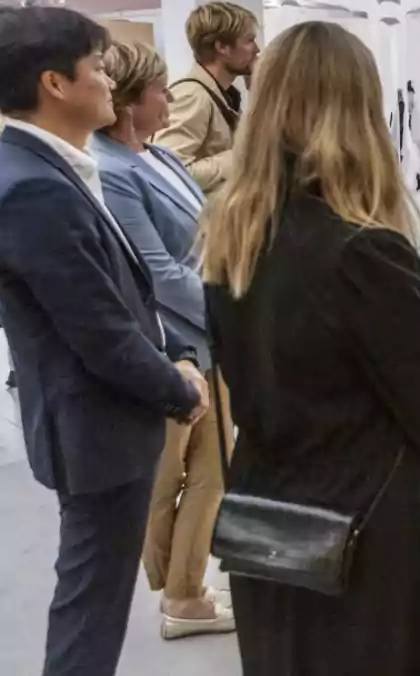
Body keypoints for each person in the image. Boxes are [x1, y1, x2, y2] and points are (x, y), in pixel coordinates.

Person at [202, 21, 420, 675]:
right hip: (366, 529)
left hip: (268, 514)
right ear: (358, 112)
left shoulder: (232, 237)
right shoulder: (364, 249)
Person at [0, 6, 208, 676]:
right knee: (92, 607)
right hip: (96, 428)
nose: (108, 81)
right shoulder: (33, 186)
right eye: (96, 67)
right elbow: (100, 335)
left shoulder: (45, 166)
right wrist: (178, 385)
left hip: (96, 420)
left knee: (91, 594)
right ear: (55, 83)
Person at [89, 41, 235, 640]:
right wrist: (230, 314)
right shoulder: (111, 172)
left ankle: (185, 590)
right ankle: (175, 589)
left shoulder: (158, 157)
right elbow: (158, 273)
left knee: (212, 471)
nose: (169, 99)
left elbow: (203, 231)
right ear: (130, 102)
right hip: (170, 344)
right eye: (158, 90)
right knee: (166, 476)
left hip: (209, 334)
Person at [157, 0, 259, 194]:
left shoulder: (224, 93)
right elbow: (172, 170)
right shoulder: (193, 95)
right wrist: (243, 155)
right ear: (222, 47)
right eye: (249, 40)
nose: (257, 49)